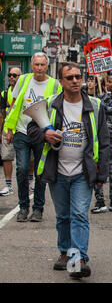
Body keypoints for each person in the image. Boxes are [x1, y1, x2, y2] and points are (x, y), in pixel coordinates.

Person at [27, 62, 109, 279]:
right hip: (58, 172)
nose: (75, 81)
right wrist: (45, 135)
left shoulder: (95, 104)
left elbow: (105, 141)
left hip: (83, 172)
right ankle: (64, 252)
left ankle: (78, 259)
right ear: (61, 81)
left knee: (80, 215)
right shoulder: (51, 104)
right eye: (70, 77)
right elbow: (31, 129)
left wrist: (102, 174)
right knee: (63, 216)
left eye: (78, 77)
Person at [4, 53, 62, 222]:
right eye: (36, 64)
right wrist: (9, 129)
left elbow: (58, 109)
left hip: (42, 134)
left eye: (42, 65)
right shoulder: (23, 80)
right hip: (22, 132)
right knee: (22, 169)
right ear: (31, 65)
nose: (39, 68)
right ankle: (23, 207)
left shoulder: (54, 84)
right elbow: (14, 105)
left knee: (40, 172)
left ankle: (38, 209)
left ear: (47, 66)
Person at [91, 73, 112, 213]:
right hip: (99, 138)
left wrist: (100, 104)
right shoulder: (103, 97)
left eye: (110, 82)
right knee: (97, 169)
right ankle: (100, 201)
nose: (108, 84)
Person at [0, 67, 21, 196]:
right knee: (7, 156)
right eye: (10, 75)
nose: (12, 77)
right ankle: (8, 185)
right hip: (8, 129)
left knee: (28, 160)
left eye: (15, 75)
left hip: (22, 129)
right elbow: (2, 114)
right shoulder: (4, 93)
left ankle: (31, 184)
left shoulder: (24, 92)